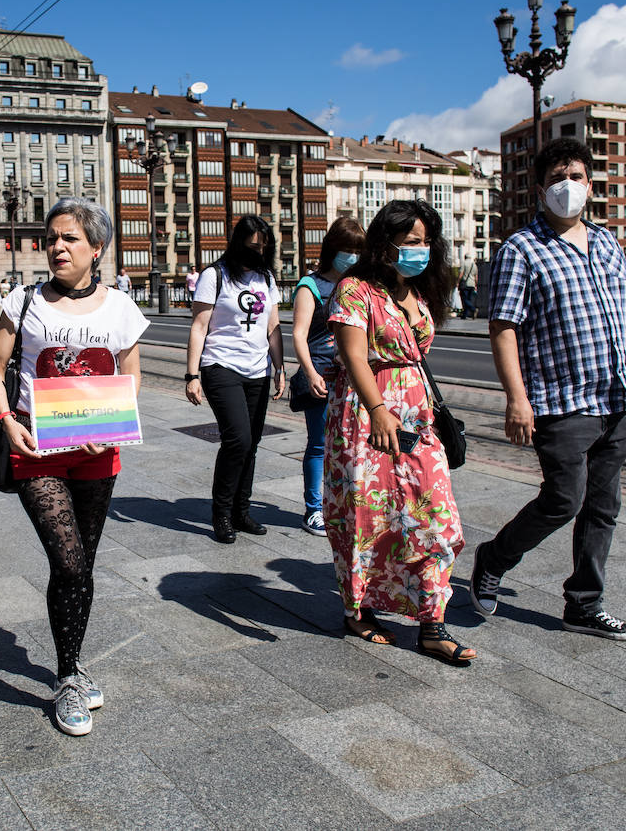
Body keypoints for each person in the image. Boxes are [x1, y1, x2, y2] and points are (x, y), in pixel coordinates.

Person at [471, 138, 626, 641]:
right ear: (541, 188)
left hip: (613, 397)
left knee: (603, 507)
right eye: (559, 178)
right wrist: (516, 399)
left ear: (591, 184)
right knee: (563, 500)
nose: (570, 186)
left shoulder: (607, 242)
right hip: (560, 401)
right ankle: (493, 558)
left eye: (579, 177)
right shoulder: (522, 250)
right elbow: (503, 328)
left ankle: (584, 605)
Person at [0, 197, 147, 737]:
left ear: (96, 249)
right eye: (51, 237)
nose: (56, 246)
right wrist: (8, 421)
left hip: (99, 449)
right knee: (71, 561)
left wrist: (115, 425)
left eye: (69, 238)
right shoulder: (25, 301)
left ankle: (72, 664)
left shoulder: (120, 306)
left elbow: (130, 374)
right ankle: (67, 679)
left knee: (82, 566)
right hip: (36, 448)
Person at [325, 199, 476, 666]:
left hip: (417, 415)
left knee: (436, 518)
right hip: (365, 414)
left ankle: (433, 623)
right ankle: (359, 609)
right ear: (385, 242)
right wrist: (378, 410)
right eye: (411, 242)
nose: (421, 250)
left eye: (426, 241)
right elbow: (352, 356)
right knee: (367, 517)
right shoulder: (354, 290)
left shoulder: (420, 291)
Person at [183, 215, 285, 543]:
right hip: (220, 365)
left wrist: (279, 367)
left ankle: (242, 511)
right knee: (237, 439)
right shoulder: (215, 275)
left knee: (252, 444)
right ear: (239, 242)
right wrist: (192, 374)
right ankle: (222, 514)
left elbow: (272, 326)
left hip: (258, 369)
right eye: (253, 245)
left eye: (264, 246)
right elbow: (199, 326)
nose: (259, 251)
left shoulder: (266, 278)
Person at [289, 217, 364, 537]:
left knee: (351, 444)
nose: (353, 257)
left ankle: (342, 504)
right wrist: (310, 372)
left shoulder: (359, 284)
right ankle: (314, 509)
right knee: (319, 444)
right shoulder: (311, 285)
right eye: (348, 250)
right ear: (333, 248)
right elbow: (298, 335)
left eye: (359, 250)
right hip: (322, 374)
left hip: (354, 376)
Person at [457, 253, 478, 319]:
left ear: (465, 257)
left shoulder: (464, 263)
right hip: (472, 284)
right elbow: (476, 276)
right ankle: (464, 315)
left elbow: (461, 273)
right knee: (468, 299)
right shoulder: (474, 265)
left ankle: (473, 309)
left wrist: (457, 282)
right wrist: (475, 285)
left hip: (465, 284)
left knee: (464, 299)